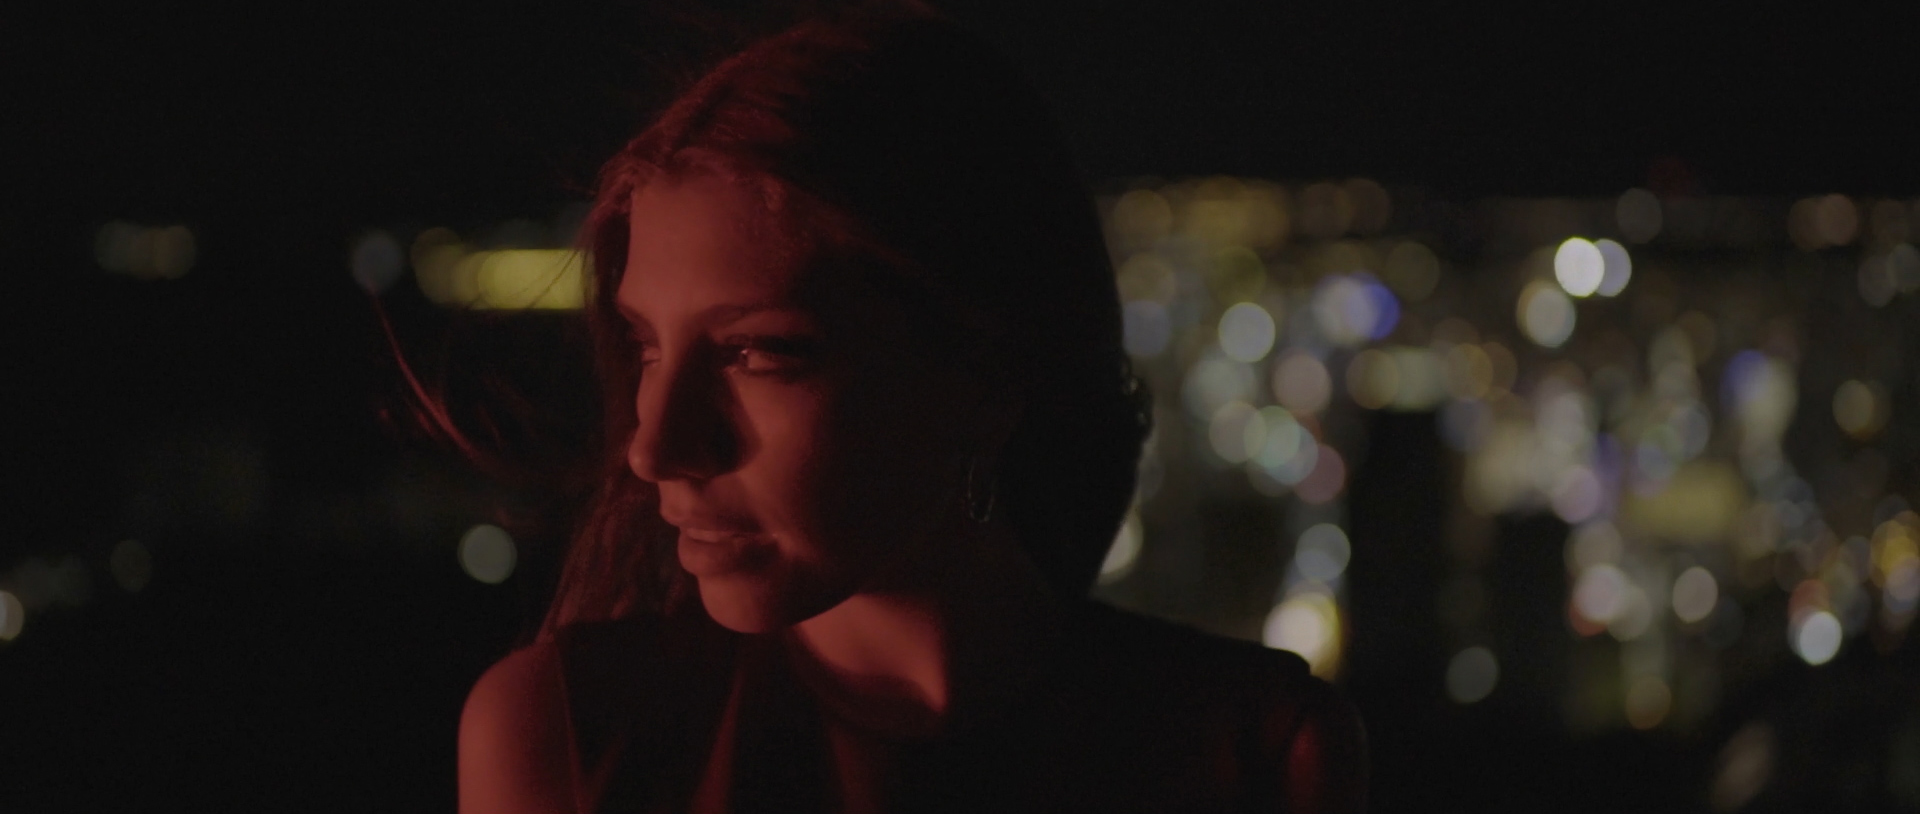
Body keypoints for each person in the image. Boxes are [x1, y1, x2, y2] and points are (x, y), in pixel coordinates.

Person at [456, 4, 1366, 812]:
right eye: (648, 345)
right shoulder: (562, 740)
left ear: (985, 374)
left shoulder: (1258, 754)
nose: (654, 446)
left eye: (758, 353)